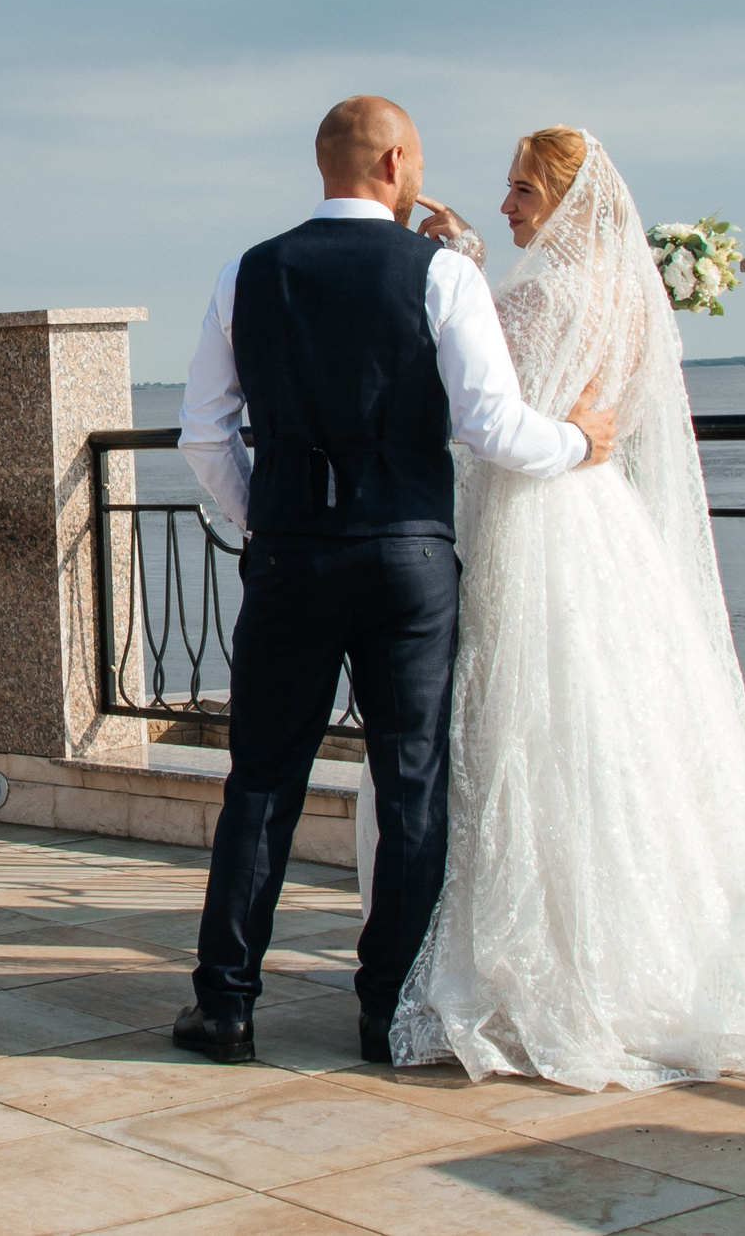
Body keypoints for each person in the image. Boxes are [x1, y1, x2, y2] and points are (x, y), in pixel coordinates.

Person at [389, 128, 745, 1088]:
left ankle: (564, 957)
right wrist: (482, 266)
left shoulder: (537, 297)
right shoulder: (628, 297)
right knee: (616, 728)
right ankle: (658, 931)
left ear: (566, 202)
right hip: (606, 524)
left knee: (539, 729)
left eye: (523, 191)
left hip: (536, 522)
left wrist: (462, 276)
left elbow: (488, 414)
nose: (508, 205)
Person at [172, 95, 619, 1066]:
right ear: (392, 163)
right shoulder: (438, 276)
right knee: (411, 781)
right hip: (409, 558)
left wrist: (269, 523)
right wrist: (582, 440)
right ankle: (387, 1008)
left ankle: (226, 1004)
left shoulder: (245, 273)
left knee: (261, 781)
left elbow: (204, 436)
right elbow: (491, 428)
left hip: (293, 556)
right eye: (413, 160)